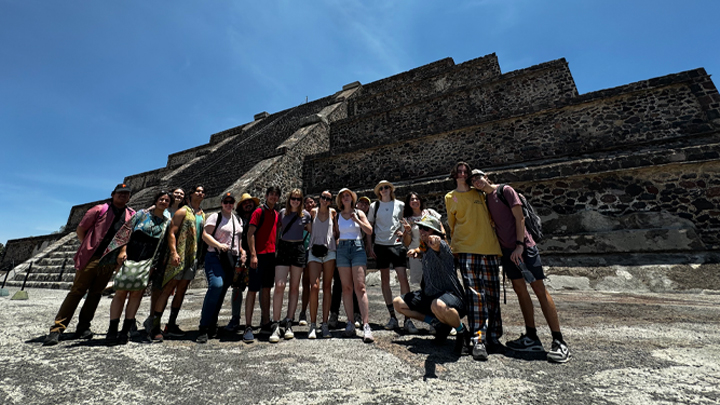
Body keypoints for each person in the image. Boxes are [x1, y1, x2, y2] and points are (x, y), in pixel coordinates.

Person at [470, 170, 571, 363]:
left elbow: (520, 218)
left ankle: (559, 340)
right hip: (508, 253)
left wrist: (519, 246)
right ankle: (531, 335)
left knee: (540, 290)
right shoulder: (484, 199)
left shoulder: (505, 190)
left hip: (523, 248)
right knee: (520, 291)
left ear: (486, 176)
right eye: (473, 180)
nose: (476, 181)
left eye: (478, 177)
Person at [43, 184, 136, 346]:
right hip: (92, 257)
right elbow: (81, 230)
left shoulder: (131, 214)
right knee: (77, 291)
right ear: (113, 194)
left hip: (110, 259)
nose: (123, 196)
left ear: (129, 197)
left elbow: (127, 236)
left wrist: (122, 252)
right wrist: (87, 247)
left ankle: (83, 327)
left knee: (95, 293)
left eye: (126, 194)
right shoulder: (99, 209)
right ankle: (57, 329)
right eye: (120, 193)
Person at [445, 162, 503, 361]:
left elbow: (498, 193)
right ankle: (478, 339)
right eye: (459, 171)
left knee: (493, 295)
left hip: (489, 248)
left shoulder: (480, 194)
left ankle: (494, 336)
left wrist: (485, 182)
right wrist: (455, 248)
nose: (462, 174)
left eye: (465, 172)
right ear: (454, 175)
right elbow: (452, 225)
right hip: (467, 249)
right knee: (475, 297)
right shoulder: (450, 197)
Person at [106, 190, 173, 345]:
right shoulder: (141, 215)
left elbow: (162, 245)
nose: (163, 202)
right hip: (131, 256)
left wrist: (154, 265)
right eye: (161, 199)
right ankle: (112, 328)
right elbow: (126, 232)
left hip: (147, 260)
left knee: (136, 295)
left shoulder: (166, 221)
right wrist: (122, 251)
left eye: (166, 200)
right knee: (120, 293)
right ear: (155, 200)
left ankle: (125, 330)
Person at [393, 215, 467, 351]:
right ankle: (437, 323)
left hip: (451, 297)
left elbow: (438, 244)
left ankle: (462, 332)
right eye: (420, 228)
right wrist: (416, 252)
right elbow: (422, 250)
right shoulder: (424, 246)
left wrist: (436, 240)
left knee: (437, 304)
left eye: (426, 229)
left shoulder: (441, 245)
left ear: (434, 231)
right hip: (430, 296)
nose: (422, 231)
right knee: (398, 303)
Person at [147, 185, 206, 342]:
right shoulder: (182, 211)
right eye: (197, 191)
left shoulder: (202, 214)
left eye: (202, 191)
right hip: (179, 256)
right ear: (190, 195)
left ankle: (171, 324)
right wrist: (174, 252)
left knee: (181, 291)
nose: (200, 193)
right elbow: (171, 232)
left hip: (192, 258)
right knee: (168, 289)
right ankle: (155, 326)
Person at [366, 180, 416, 333]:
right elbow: (370, 227)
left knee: (402, 278)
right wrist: (370, 246)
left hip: (397, 244)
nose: (384, 190)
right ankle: (392, 316)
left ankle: (408, 318)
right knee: (385, 279)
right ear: (378, 192)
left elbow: (406, 222)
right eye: (381, 188)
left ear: (391, 189)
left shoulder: (400, 205)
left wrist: (405, 234)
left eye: (387, 187)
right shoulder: (375, 207)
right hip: (381, 245)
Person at [196, 192, 246, 343]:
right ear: (221, 202)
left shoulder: (237, 219)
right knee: (216, 286)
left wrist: (243, 252)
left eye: (231, 202)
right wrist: (218, 245)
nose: (228, 204)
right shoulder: (215, 217)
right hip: (216, 257)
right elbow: (205, 235)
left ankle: (212, 324)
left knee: (222, 290)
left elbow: (239, 240)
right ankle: (203, 327)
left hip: (232, 259)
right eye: (226, 202)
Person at [269, 189, 312, 343]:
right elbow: (275, 229)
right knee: (279, 285)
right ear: (289, 199)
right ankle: (275, 323)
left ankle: (288, 321)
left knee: (294, 287)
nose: (295, 201)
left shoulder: (305, 215)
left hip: (298, 249)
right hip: (284, 248)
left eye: (298, 199)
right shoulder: (282, 213)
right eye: (293, 198)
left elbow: (310, 231)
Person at [143, 187, 185, 334]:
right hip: (157, 253)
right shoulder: (161, 210)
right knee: (154, 288)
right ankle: (151, 318)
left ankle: (157, 320)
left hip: (173, 255)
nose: (179, 195)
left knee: (165, 288)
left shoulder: (183, 211)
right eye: (176, 193)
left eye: (181, 194)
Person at [336, 188, 374, 342]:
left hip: (357, 247)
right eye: (343, 196)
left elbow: (369, 231)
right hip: (343, 248)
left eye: (348, 196)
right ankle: (350, 322)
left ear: (352, 198)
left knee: (360, 287)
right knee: (346, 288)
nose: (346, 198)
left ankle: (366, 325)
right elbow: (336, 234)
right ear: (340, 199)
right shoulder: (337, 215)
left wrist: (357, 220)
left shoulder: (359, 213)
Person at [244, 186, 281, 343]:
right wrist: (253, 255)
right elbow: (250, 233)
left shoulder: (276, 214)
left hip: (270, 256)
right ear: (266, 196)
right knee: (252, 290)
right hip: (258, 256)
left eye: (275, 195)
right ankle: (248, 326)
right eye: (271, 194)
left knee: (266, 288)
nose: (273, 197)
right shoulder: (259, 212)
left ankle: (266, 321)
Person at [223, 193, 260, 332]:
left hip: (256, 255)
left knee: (260, 287)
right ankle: (235, 317)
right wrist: (242, 251)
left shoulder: (258, 216)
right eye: (245, 203)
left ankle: (264, 318)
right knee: (237, 288)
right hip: (241, 256)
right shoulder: (237, 219)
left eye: (250, 202)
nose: (248, 205)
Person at [307, 190, 339, 338]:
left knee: (327, 287)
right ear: (319, 199)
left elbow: (337, 231)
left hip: (329, 250)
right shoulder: (313, 212)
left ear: (331, 201)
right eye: (322, 197)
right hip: (314, 250)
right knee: (314, 287)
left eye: (328, 198)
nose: (325, 200)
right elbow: (307, 227)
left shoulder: (333, 213)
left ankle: (324, 323)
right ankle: (312, 324)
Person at [402, 191, 444, 285]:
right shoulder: (407, 220)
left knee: (436, 276)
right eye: (412, 199)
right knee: (421, 280)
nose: (415, 201)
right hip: (417, 252)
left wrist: (443, 241)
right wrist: (408, 231)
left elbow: (441, 227)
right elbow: (407, 243)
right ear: (408, 203)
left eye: (417, 198)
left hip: (433, 248)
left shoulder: (430, 212)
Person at [297, 195, 316, 327]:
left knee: (311, 282)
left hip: (313, 251)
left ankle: (305, 312)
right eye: (307, 203)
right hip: (301, 249)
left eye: (311, 203)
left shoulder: (318, 217)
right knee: (301, 282)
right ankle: (301, 311)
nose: (309, 205)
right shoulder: (301, 217)